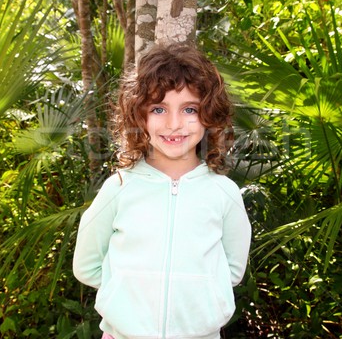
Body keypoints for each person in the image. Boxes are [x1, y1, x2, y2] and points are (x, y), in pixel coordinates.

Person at [72, 43, 252, 339]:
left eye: (190, 109)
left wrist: (201, 294)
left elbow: (231, 271)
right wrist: (127, 294)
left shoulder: (224, 193)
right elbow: (87, 265)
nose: (174, 124)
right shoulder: (118, 188)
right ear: (138, 116)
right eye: (158, 108)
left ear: (209, 116)